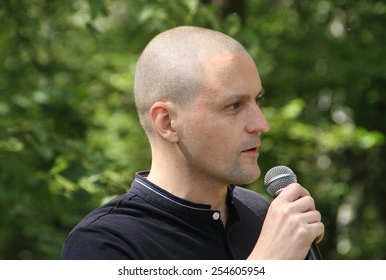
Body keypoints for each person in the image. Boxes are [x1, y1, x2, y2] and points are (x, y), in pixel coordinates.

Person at [61, 26, 324, 260]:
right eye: (234, 105)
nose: (261, 124)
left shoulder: (260, 214)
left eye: (258, 100)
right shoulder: (104, 243)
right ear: (167, 122)